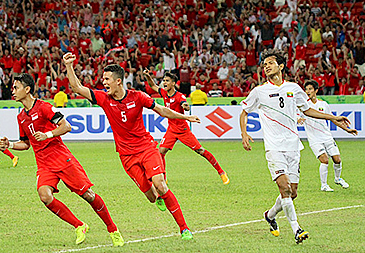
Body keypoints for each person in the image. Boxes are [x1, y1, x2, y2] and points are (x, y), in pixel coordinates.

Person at [63, 52, 200, 240]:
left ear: (118, 81)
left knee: (160, 184)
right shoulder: (103, 98)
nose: (103, 82)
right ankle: (158, 197)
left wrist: (186, 117)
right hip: (127, 156)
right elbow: (77, 87)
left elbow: (162, 110)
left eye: (107, 79)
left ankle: (184, 228)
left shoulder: (138, 97)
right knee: (151, 196)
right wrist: (69, 66)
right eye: (103, 79)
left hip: (146, 148)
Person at [0, 73, 124, 247]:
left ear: (27, 89)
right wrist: (8, 145)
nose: (13, 91)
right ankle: (79, 225)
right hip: (44, 164)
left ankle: (113, 230)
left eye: (16, 87)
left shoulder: (44, 108)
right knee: (45, 196)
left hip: (61, 158)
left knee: (88, 195)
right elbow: (25, 145)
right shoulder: (21, 117)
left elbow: (66, 126)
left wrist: (47, 134)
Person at [239, 50, 355, 244]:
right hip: (274, 147)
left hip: (293, 146)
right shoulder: (259, 91)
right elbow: (244, 112)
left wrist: (334, 118)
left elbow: (308, 110)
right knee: (284, 188)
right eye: (264, 64)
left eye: (270, 63)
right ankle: (297, 229)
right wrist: (244, 133)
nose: (266, 66)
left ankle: (270, 215)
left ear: (281, 66)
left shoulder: (294, 88)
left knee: (292, 192)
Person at [144, 70, 229, 185]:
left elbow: (185, 104)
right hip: (171, 130)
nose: (164, 83)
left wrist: (186, 107)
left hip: (183, 130)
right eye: (164, 81)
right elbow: (152, 85)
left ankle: (221, 172)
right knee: (160, 152)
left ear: (173, 83)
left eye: (167, 81)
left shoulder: (179, 96)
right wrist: (148, 76)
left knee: (200, 150)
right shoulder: (163, 93)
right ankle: (164, 178)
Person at [298, 80, 357, 191]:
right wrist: (298, 118)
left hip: (327, 136)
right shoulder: (303, 106)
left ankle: (337, 178)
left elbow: (333, 119)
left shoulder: (323, 104)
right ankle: (324, 185)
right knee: (324, 160)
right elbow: (295, 115)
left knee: (337, 160)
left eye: (310, 89)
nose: (307, 91)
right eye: (306, 89)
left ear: (316, 90)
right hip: (314, 139)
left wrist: (347, 130)